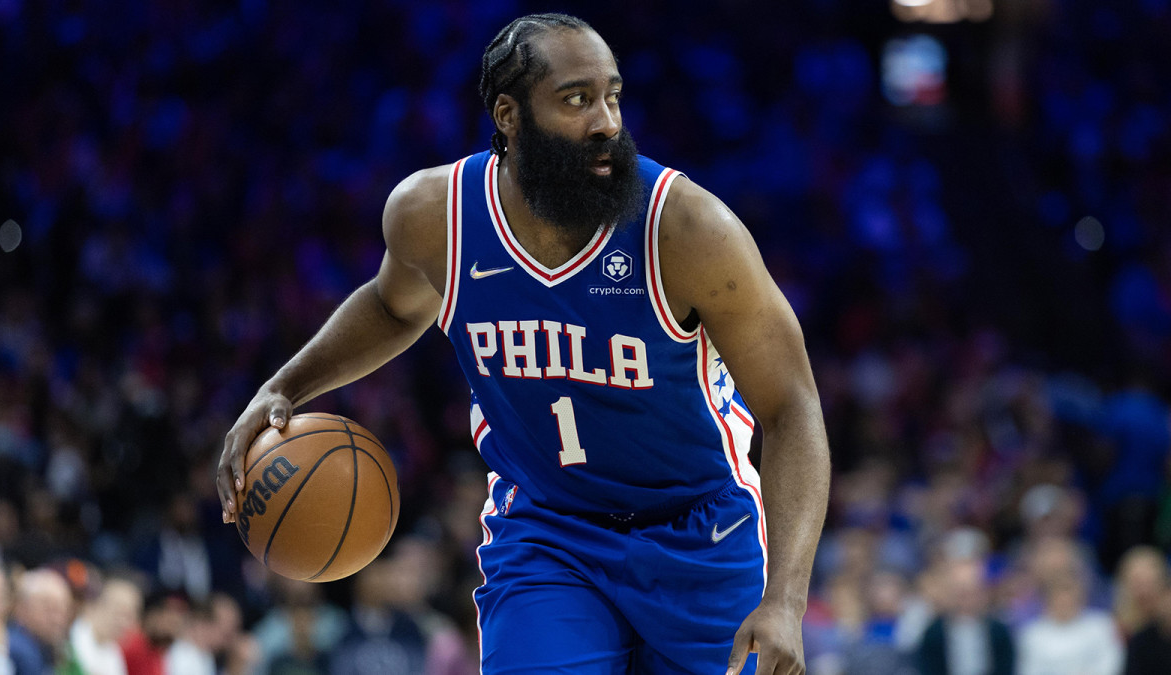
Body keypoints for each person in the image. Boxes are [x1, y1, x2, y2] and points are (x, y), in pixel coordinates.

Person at [216, 12, 830, 674]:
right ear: (509, 115)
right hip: (549, 532)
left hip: (700, 535)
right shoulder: (437, 217)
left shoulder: (687, 229)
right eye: (576, 99)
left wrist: (787, 599)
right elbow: (394, 307)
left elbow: (791, 406)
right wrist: (283, 387)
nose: (606, 122)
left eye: (612, 96)